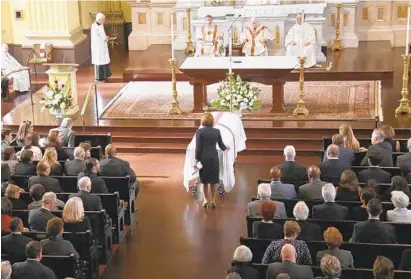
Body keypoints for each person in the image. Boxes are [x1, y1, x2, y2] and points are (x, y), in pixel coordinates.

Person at [193, 113, 229, 208]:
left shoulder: (199, 132)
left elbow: (198, 148)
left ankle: (205, 200)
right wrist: (226, 147)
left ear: (202, 120)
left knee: (204, 181)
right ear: (212, 121)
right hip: (213, 158)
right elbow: (221, 145)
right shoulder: (216, 131)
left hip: (203, 158)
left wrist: (196, 160)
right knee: (213, 181)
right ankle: (213, 200)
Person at [91, 12, 112, 82]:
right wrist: (105, 39)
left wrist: (105, 37)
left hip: (103, 46)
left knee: (104, 60)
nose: (104, 21)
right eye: (103, 20)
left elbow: (102, 35)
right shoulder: (94, 26)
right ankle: (99, 77)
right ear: (99, 20)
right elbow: (96, 37)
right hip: (98, 47)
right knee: (99, 61)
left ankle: (105, 75)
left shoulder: (100, 25)